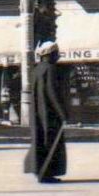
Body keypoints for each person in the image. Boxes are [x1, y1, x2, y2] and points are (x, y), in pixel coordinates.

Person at [25, 41, 67, 182]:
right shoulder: (51, 69)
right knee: (50, 142)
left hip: (38, 112)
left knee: (40, 141)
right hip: (49, 113)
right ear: (50, 54)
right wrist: (62, 113)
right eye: (56, 53)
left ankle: (40, 171)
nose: (58, 56)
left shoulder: (37, 69)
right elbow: (52, 92)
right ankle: (47, 173)